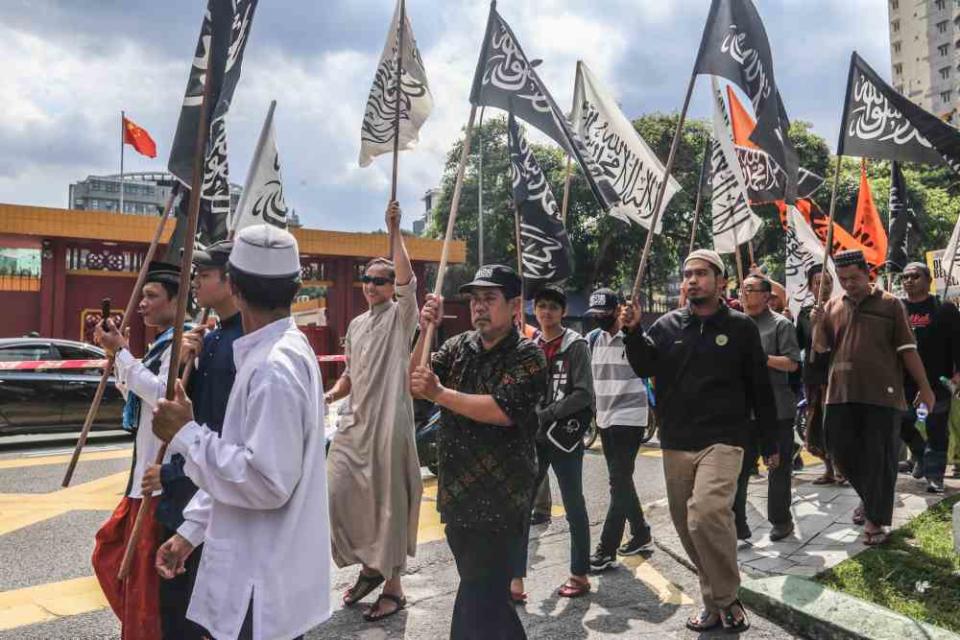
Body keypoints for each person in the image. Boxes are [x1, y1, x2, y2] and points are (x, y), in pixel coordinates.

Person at [152, 225, 331, 640]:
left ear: (233, 285)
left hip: (259, 584)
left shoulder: (273, 367)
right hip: (256, 575)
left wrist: (186, 433)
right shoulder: (276, 351)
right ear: (296, 287)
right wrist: (190, 531)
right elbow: (238, 454)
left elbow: (265, 481)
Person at [623, 249, 779, 633]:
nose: (692, 280)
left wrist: (771, 442)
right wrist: (631, 332)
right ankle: (715, 600)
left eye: (702, 274)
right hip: (676, 440)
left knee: (706, 513)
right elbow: (645, 366)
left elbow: (760, 387)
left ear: (721, 282)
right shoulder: (667, 325)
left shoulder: (742, 328)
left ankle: (726, 598)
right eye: (687, 274)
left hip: (725, 440)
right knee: (686, 525)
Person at [409, 264, 547, 640]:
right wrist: (426, 331)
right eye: (475, 299)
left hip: (503, 499)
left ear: (515, 305)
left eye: (490, 298)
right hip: (457, 496)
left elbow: (502, 410)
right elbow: (414, 382)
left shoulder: (528, 356)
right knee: (487, 598)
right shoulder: (456, 347)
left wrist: (441, 394)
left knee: (477, 595)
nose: (479, 307)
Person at [325, 201, 423, 621]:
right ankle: (369, 567)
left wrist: (394, 230)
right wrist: (331, 394)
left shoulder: (401, 316)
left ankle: (393, 587)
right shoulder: (356, 324)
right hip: (353, 424)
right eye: (368, 280)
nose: (372, 286)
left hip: (388, 425)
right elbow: (350, 374)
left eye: (381, 281)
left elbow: (407, 281)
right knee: (337, 494)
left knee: (388, 505)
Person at [812, 250, 936, 546]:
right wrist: (817, 322)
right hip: (839, 392)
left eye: (854, 278)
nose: (849, 284)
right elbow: (820, 347)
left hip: (883, 394)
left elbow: (907, 349)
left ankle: (874, 520)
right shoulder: (830, 305)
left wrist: (925, 386)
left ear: (868, 274)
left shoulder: (891, 304)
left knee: (879, 458)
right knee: (838, 451)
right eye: (843, 280)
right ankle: (870, 499)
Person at [154, 241, 242, 639]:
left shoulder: (249, 347)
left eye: (203, 275)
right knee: (177, 608)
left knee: (205, 616)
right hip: (189, 483)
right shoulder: (212, 337)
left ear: (231, 281)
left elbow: (227, 434)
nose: (194, 283)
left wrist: (173, 472)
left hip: (213, 490)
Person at [92, 261, 183, 640]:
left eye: (151, 296)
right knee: (109, 556)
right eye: (141, 296)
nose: (142, 304)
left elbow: (164, 395)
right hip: (141, 476)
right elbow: (137, 396)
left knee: (145, 583)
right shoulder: (160, 343)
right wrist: (118, 358)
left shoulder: (185, 341)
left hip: (160, 482)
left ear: (177, 302)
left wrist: (124, 355)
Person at [511, 284, 594, 601]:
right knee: (522, 506)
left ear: (563, 311)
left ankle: (579, 574)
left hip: (564, 438)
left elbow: (584, 393)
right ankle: (515, 579)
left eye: (553, 307)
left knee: (574, 504)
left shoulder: (576, 345)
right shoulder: (528, 344)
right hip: (533, 438)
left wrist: (545, 414)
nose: (546, 313)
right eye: (541, 306)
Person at [584, 288, 653, 572]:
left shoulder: (633, 339)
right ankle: (640, 532)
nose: (599, 317)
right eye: (595, 313)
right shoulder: (593, 340)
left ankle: (607, 548)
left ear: (617, 310)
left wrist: (633, 328)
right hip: (605, 419)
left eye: (604, 312)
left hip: (630, 419)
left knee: (618, 483)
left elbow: (648, 362)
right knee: (623, 481)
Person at [734, 274, 802, 542]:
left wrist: (762, 359)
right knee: (739, 470)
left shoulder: (780, 325)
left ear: (766, 296)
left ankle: (781, 520)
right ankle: (738, 523)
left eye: (751, 290)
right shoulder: (735, 325)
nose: (745, 295)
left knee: (778, 467)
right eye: (743, 290)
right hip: (742, 410)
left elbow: (792, 363)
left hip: (776, 409)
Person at [897, 262, 960, 493]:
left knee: (936, 428)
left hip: (936, 382)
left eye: (915, 276)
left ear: (928, 280)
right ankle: (920, 454)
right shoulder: (896, 309)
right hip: (902, 383)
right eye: (904, 277)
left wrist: (957, 376)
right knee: (900, 421)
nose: (908, 280)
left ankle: (935, 477)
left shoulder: (944, 309)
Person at [795, 265, 842, 485]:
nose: (824, 287)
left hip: (838, 374)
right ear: (810, 286)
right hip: (814, 376)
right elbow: (798, 345)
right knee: (817, 423)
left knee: (837, 421)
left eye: (828, 281)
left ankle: (844, 468)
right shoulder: (804, 314)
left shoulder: (841, 308)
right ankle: (829, 469)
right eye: (818, 282)